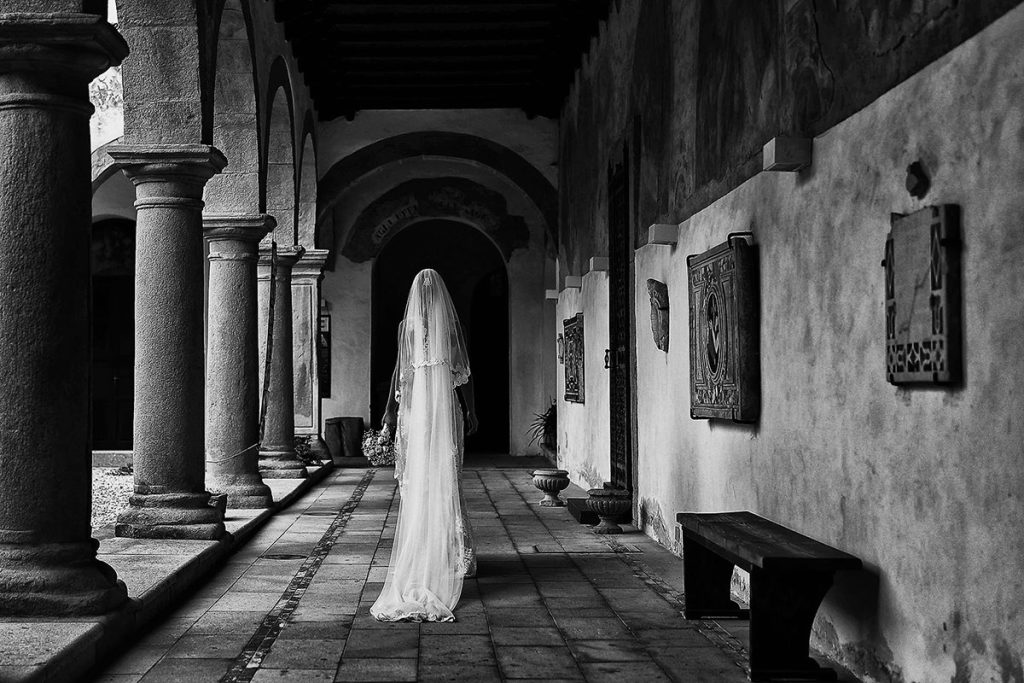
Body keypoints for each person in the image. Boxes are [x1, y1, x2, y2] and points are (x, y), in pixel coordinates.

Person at [370, 268, 479, 623]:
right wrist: (471, 410)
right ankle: (451, 555)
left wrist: (389, 410)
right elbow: (464, 375)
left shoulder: (409, 328)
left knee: (423, 481)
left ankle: (433, 552)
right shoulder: (449, 327)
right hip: (441, 413)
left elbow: (399, 374)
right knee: (443, 478)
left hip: (417, 413)